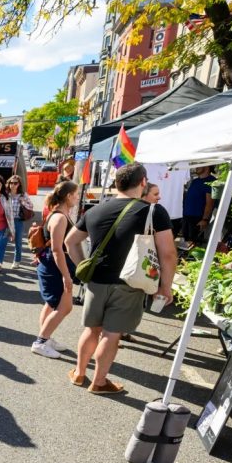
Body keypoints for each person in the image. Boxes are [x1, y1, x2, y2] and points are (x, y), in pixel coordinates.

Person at [64, 162, 176, 395]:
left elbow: (70, 242)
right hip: (131, 283)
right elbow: (168, 253)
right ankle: (99, 382)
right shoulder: (153, 211)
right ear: (143, 182)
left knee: (91, 329)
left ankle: (79, 373)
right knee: (111, 334)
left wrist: (83, 267)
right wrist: (166, 286)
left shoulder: (95, 210)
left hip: (96, 281)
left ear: (116, 183)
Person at [32, 181, 81, 359]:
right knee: (64, 307)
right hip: (54, 266)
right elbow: (56, 249)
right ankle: (41, 341)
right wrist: (67, 276)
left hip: (52, 265)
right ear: (68, 196)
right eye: (75, 194)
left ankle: (46, 337)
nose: (77, 197)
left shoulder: (59, 214)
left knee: (52, 304)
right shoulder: (60, 217)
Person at [180, 167, 215, 244]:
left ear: (207, 166)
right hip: (186, 217)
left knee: (195, 243)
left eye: (200, 165)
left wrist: (205, 219)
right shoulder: (195, 181)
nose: (196, 167)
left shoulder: (211, 181)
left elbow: (210, 203)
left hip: (198, 219)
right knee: (186, 243)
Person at [7, 174, 35, 264]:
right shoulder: (6, 195)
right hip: (6, 221)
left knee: (18, 242)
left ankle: (17, 261)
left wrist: (23, 202)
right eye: (11, 183)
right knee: (2, 241)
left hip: (18, 221)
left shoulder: (23, 195)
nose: (13, 185)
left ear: (19, 184)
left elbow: (31, 206)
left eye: (15, 183)